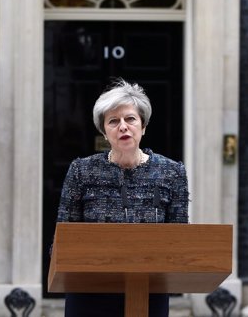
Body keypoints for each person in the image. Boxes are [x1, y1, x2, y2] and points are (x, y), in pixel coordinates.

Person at [55, 78, 189, 317]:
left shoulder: (172, 172)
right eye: (113, 121)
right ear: (104, 132)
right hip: (89, 292)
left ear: (143, 126)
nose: (123, 127)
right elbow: (64, 238)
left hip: (149, 291)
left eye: (130, 119)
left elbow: (179, 238)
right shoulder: (81, 171)